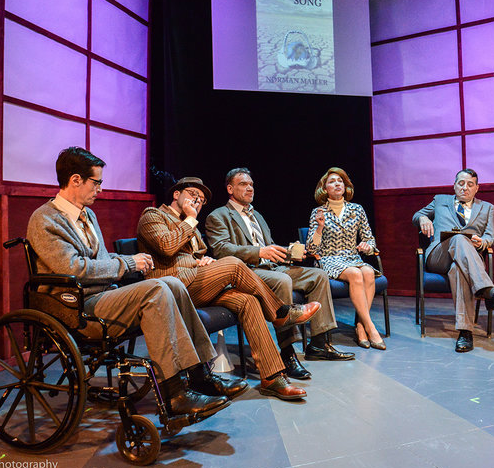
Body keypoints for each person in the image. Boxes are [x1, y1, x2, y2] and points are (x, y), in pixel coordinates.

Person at [26, 147, 243, 420]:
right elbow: (75, 268)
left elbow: (99, 258)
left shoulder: (87, 215)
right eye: (96, 182)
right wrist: (128, 264)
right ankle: (174, 393)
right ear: (76, 180)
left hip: (103, 295)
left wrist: (132, 257)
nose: (100, 189)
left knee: (171, 283)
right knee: (155, 290)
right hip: (76, 304)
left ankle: (201, 375)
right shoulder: (45, 219)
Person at [136, 176, 322, 401]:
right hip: (171, 288)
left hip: (196, 282)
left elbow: (197, 253)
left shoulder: (190, 225)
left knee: (248, 301)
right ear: (177, 194)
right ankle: (280, 313)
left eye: (202, 200)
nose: (198, 201)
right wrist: (192, 219)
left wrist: (202, 261)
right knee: (234, 264)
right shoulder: (153, 216)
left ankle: (273, 378)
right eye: (194, 195)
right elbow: (167, 247)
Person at [205, 168, 354, 381]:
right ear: (230, 189)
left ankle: (319, 344)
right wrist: (258, 252)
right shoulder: (218, 216)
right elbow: (221, 250)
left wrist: (291, 253)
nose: (249, 188)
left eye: (251, 185)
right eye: (243, 184)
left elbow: (269, 248)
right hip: (247, 272)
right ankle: (287, 353)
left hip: (272, 268)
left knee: (318, 275)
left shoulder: (257, 215)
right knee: (282, 280)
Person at [411, 169, 494, 353]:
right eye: (461, 183)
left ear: (477, 188)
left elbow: (489, 237)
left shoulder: (486, 207)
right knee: (459, 238)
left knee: (458, 269)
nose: (465, 187)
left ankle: (465, 333)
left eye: (470, 184)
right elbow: (415, 216)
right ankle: (490, 293)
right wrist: (422, 218)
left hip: (466, 259)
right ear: (454, 185)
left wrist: (482, 242)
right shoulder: (440, 200)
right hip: (439, 256)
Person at [305, 167, 385, 350]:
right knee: (357, 275)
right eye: (332, 181)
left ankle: (359, 325)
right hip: (328, 258)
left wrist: (367, 246)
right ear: (325, 189)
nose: (337, 184)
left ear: (345, 186)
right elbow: (311, 248)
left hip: (352, 257)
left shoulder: (357, 209)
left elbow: (369, 239)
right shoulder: (318, 212)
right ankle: (370, 327)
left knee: (368, 272)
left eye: (340, 181)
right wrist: (319, 228)